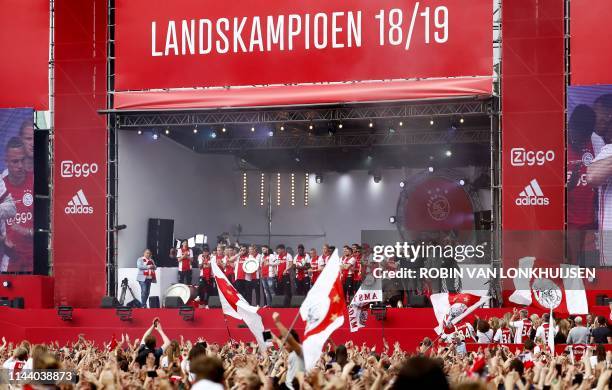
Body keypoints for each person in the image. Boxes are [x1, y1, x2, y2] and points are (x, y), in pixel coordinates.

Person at [567, 104, 597, 266]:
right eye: (578, 134)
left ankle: (590, 290)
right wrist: (569, 186)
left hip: (591, 219)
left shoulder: (595, 142)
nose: (581, 138)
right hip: (568, 220)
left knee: (590, 266)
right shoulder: (558, 142)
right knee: (571, 264)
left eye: (586, 135)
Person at [2, 137, 32, 273]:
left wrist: (28, 231)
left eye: (23, 160)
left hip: (35, 260)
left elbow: (49, 224)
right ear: (6, 161)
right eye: (15, 161)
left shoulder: (36, 181)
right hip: (9, 261)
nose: (20, 165)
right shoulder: (2, 186)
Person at [272, 311, 305, 390]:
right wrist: (276, 340)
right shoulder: (292, 354)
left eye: (286, 343)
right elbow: (282, 346)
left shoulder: (300, 351)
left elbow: (289, 338)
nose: (284, 346)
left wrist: (277, 322)